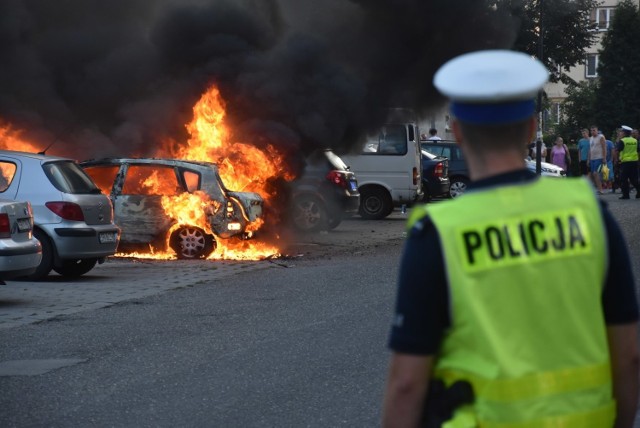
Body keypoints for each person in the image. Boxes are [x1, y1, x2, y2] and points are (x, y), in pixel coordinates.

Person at [382, 50, 639, 428]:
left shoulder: (437, 232)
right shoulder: (588, 211)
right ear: (533, 128)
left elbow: (407, 383)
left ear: (457, 131)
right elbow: (630, 355)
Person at [616, 125, 639, 199]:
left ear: (624, 133)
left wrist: (617, 160)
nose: (620, 133)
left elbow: (617, 150)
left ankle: (626, 195)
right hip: (634, 161)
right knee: (634, 179)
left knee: (623, 179)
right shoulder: (635, 140)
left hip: (625, 162)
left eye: (621, 132)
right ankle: (639, 192)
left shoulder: (622, 141)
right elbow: (638, 150)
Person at [589, 126, 607, 194]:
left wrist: (604, 157)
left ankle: (600, 189)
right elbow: (590, 149)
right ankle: (598, 188)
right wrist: (589, 159)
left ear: (597, 131)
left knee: (596, 173)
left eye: (594, 130)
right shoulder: (591, 138)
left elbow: (604, 147)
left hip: (599, 157)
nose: (592, 132)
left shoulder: (601, 137)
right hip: (592, 158)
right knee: (593, 175)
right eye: (591, 130)